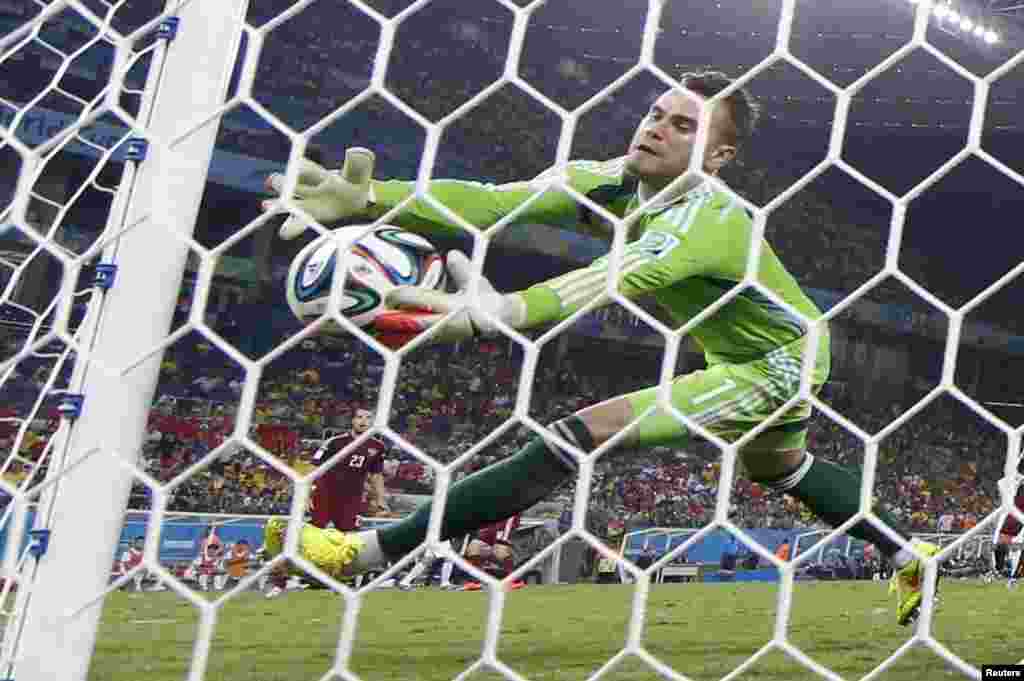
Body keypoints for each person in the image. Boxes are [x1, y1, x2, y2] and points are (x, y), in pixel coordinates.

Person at [261, 71, 937, 625]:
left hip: (778, 361)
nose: (657, 127)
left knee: (573, 436)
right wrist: (374, 196)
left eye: (684, 125)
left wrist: (508, 309)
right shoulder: (613, 180)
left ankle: (358, 553)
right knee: (783, 467)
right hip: (743, 352)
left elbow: (616, 277)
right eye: (657, 111)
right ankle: (913, 552)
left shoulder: (712, 217)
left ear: (717, 156)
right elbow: (495, 203)